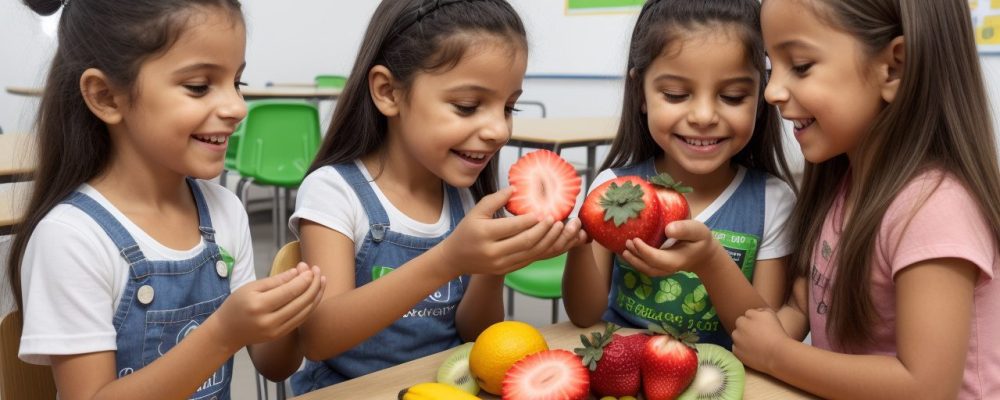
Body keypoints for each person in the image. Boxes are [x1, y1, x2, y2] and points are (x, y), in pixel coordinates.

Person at [8, 0, 326, 398]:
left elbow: (274, 365)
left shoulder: (224, 211)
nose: (236, 107)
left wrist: (291, 314)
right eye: (199, 86)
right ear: (106, 96)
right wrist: (222, 334)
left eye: (237, 82)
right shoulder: (71, 238)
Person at [289, 0, 585, 393]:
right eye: (467, 106)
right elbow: (320, 336)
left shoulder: (464, 199)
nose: (499, 129)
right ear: (388, 92)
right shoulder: (335, 192)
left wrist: (493, 265)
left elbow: (477, 334)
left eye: (509, 107)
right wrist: (449, 259)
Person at [730, 0, 1000, 399]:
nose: (771, 91)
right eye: (772, 66)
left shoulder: (934, 209)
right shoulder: (843, 186)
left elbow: (925, 387)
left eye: (801, 65)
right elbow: (800, 310)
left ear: (894, 67)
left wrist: (777, 355)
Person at [562, 0, 797, 350]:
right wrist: (578, 245)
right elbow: (584, 314)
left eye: (733, 97)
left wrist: (709, 261)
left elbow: (765, 338)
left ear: (760, 94)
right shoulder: (615, 190)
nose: (703, 115)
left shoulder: (773, 201)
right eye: (676, 95)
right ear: (641, 91)